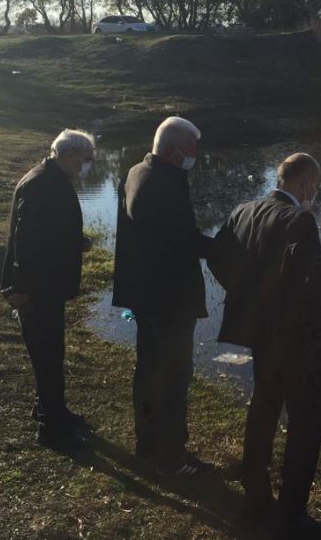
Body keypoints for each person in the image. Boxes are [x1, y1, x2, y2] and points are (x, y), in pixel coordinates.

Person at [209, 153, 321, 539]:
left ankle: (256, 493)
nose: (316, 191)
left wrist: (247, 296)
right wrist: (315, 333)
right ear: (303, 183)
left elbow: (217, 258)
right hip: (295, 340)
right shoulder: (299, 219)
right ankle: (291, 513)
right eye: (316, 184)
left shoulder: (244, 210)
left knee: (263, 407)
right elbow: (316, 284)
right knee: (304, 423)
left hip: (260, 334)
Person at [112, 116, 214, 476]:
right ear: (173, 151)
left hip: (147, 294)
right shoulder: (160, 185)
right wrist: (226, 249)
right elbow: (181, 240)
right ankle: (171, 457)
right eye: (191, 150)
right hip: (167, 300)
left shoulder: (139, 171)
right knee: (172, 375)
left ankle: (148, 445)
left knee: (150, 371)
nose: (195, 156)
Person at [0, 129, 96, 452]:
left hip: (48, 287)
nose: (87, 167)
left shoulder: (52, 179)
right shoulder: (42, 184)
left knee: (51, 353)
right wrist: (21, 292)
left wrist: (74, 241)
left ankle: (53, 410)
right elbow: (25, 244)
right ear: (70, 156)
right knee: (47, 355)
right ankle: (51, 428)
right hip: (36, 291)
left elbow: (49, 232)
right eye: (86, 160)